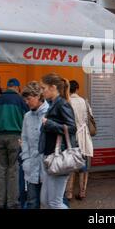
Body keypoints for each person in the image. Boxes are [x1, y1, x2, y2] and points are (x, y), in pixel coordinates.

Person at [0, 78, 29, 209]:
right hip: (15, 137)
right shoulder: (21, 101)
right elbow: (26, 119)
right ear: (17, 87)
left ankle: (0, 202)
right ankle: (12, 203)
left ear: (7, 86)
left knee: (1, 170)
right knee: (13, 170)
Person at [39, 73, 77, 209]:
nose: (42, 91)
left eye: (43, 88)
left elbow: (72, 128)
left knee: (55, 203)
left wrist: (49, 124)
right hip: (51, 156)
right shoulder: (53, 103)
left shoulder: (62, 104)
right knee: (44, 201)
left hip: (59, 158)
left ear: (53, 87)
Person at [21, 81, 49, 209]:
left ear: (38, 96)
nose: (26, 102)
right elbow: (24, 138)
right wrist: (25, 159)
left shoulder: (50, 113)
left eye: (29, 99)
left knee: (48, 201)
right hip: (31, 165)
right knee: (32, 202)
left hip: (47, 166)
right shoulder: (27, 116)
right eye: (25, 99)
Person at [66, 80, 94, 200]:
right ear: (77, 88)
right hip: (82, 136)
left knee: (70, 164)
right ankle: (82, 191)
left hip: (71, 135)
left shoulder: (67, 102)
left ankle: (69, 193)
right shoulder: (84, 102)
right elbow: (89, 118)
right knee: (83, 164)